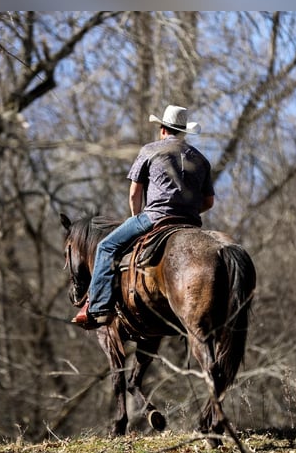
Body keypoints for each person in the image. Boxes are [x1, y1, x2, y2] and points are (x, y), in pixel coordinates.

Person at [72, 104, 215, 329]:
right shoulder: (201, 159)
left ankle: (98, 308)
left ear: (163, 129)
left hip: (155, 217)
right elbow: (208, 202)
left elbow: (134, 193)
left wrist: (135, 217)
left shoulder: (150, 150)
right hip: (190, 223)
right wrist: (186, 212)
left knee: (106, 247)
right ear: (184, 132)